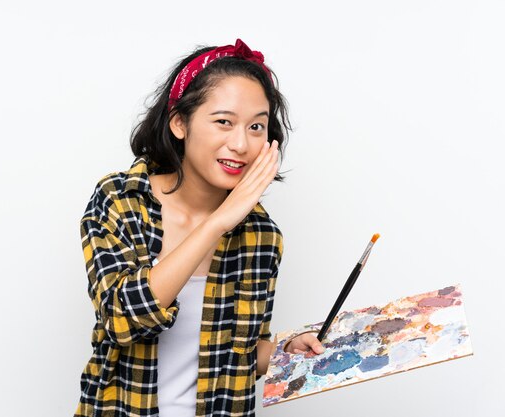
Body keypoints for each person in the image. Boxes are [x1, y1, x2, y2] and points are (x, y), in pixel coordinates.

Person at [75, 38, 323, 417]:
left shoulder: (261, 235)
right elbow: (122, 318)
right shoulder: (121, 200)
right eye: (224, 122)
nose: (241, 143)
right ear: (179, 122)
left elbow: (239, 353)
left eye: (257, 126)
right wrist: (216, 223)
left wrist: (285, 351)